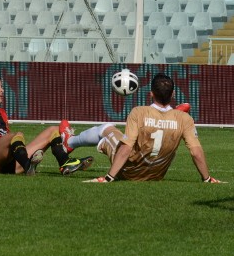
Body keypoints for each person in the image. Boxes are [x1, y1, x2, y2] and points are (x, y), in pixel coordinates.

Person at [75, 73, 224, 183]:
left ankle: (69, 143)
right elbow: (196, 152)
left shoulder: (138, 112)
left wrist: (108, 178)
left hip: (126, 172)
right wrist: (207, 178)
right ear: (173, 94)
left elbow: (126, 148)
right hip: (155, 176)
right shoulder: (185, 119)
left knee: (107, 129)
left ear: (151, 93)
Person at [0, 73, 94, 176]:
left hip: (12, 162)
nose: (2, 90)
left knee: (53, 130)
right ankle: (28, 166)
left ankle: (64, 162)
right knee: (15, 135)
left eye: (2, 87)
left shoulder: (2, 112)